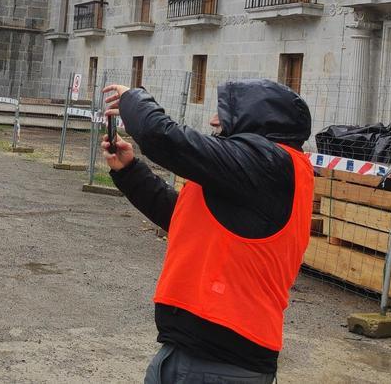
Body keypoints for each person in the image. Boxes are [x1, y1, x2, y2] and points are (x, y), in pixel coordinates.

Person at [99, 79, 314, 384]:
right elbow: (184, 219)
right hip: (190, 354)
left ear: (255, 121)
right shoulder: (255, 174)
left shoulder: (270, 165)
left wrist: (134, 99)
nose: (214, 120)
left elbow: (164, 138)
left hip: (221, 364)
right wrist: (130, 172)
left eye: (224, 115)